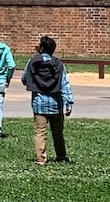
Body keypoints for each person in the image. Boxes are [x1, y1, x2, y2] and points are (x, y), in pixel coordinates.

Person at [22, 35, 74, 165]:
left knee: (40, 132)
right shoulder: (58, 64)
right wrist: (68, 102)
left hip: (39, 104)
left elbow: (24, 79)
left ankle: (41, 159)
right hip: (56, 104)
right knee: (58, 132)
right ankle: (61, 156)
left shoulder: (32, 62)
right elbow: (64, 84)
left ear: (41, 48)